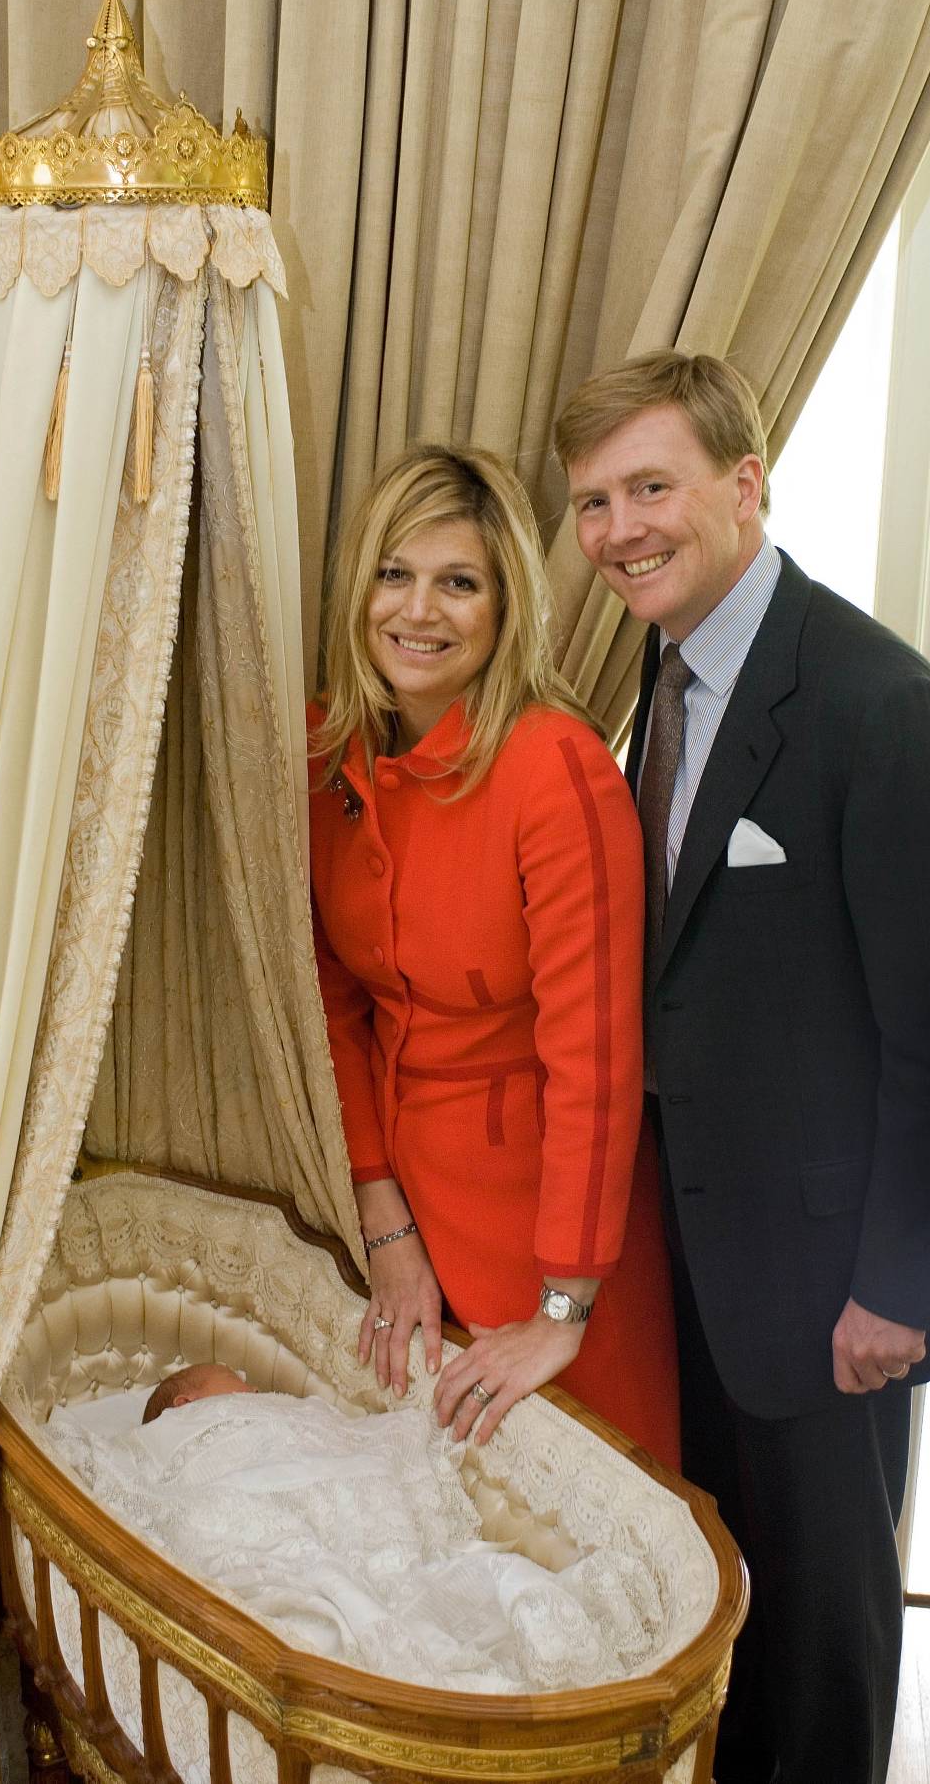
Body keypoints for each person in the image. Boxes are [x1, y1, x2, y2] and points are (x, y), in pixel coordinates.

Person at [554, 350, 930, 1784]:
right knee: (732, 1610)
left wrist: (898, 1285)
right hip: (696, 1257)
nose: (619, 529)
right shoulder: (666, 669)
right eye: (591, 502)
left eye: (649, 487)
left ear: (743, 483)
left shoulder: (877, 701)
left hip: (834, 1291)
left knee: (821, 1639)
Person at [308, 445, 678, 1466]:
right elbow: (333, 1006)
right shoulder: (327, 752)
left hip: (554, 1231)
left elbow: (595, 1060)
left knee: (592, 1515)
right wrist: (381, 1218)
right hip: (401, 1209)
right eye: (394, 574)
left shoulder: (556, 769)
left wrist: (563, 1306)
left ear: (505, 603)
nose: (418, 610)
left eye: (458, 583)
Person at [45, 1365, 669, 1693]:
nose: (255, 1388)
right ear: (188, 1406)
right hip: (250, 1511)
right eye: (236, 1379)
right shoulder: (170, 1434)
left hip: (366, 1524)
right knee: (314, 1583)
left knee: (465, 1576)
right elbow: (118, 1469)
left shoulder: (291, 1414)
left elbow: (354, 1436)